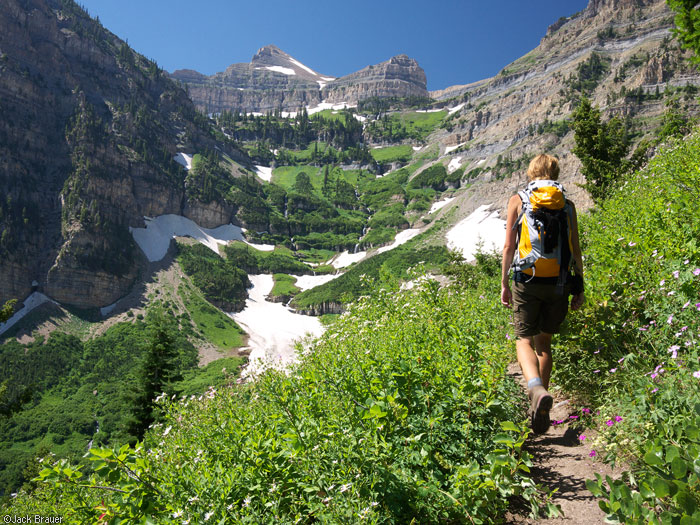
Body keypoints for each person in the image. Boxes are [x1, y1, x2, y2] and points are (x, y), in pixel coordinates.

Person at [500, 154, 584, 434]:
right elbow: (575, 247)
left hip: (527, 279)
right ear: (556, 172)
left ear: (531, 172)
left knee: (523, 339)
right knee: (544, 342)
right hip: (558, 282)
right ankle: (541, 403)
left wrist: (504, 283)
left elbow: (509, 247)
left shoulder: (518, 200)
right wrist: (579, 286)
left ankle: (535, 391)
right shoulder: (567, 205)